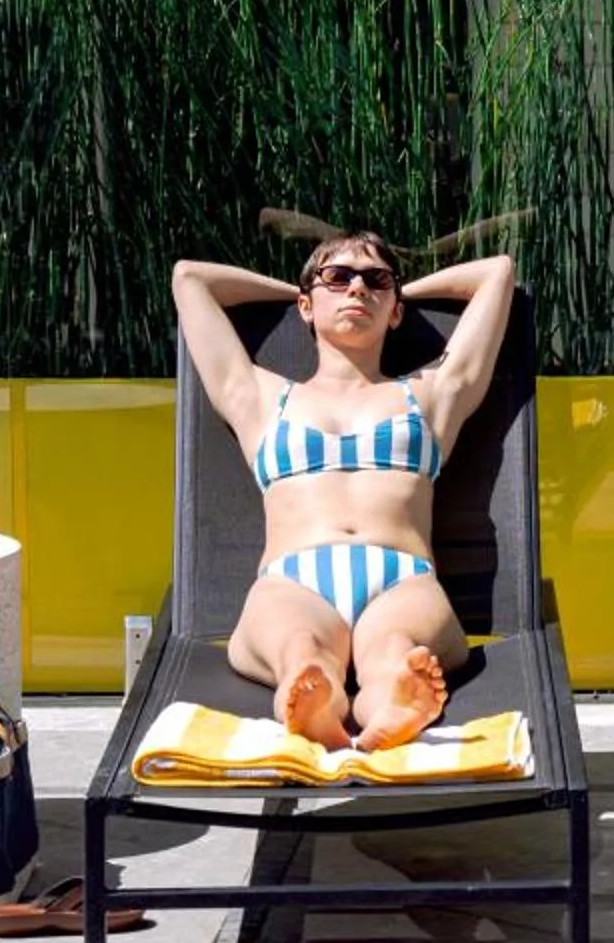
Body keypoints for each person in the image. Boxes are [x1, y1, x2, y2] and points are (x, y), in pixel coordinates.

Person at [171, 234, 515, 753]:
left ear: (396, 312)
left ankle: (392, 703)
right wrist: (302, 286)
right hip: (293, 580)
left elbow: (497, 272)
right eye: (339, 278)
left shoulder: (431, 392)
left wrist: (394, 291)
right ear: (305, 306)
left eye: (375, 280)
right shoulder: (261, 397)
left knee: (396, 651)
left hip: (401, 579)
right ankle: (312, 692)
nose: (357, 288)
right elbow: (190, 278)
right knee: (300, 648)